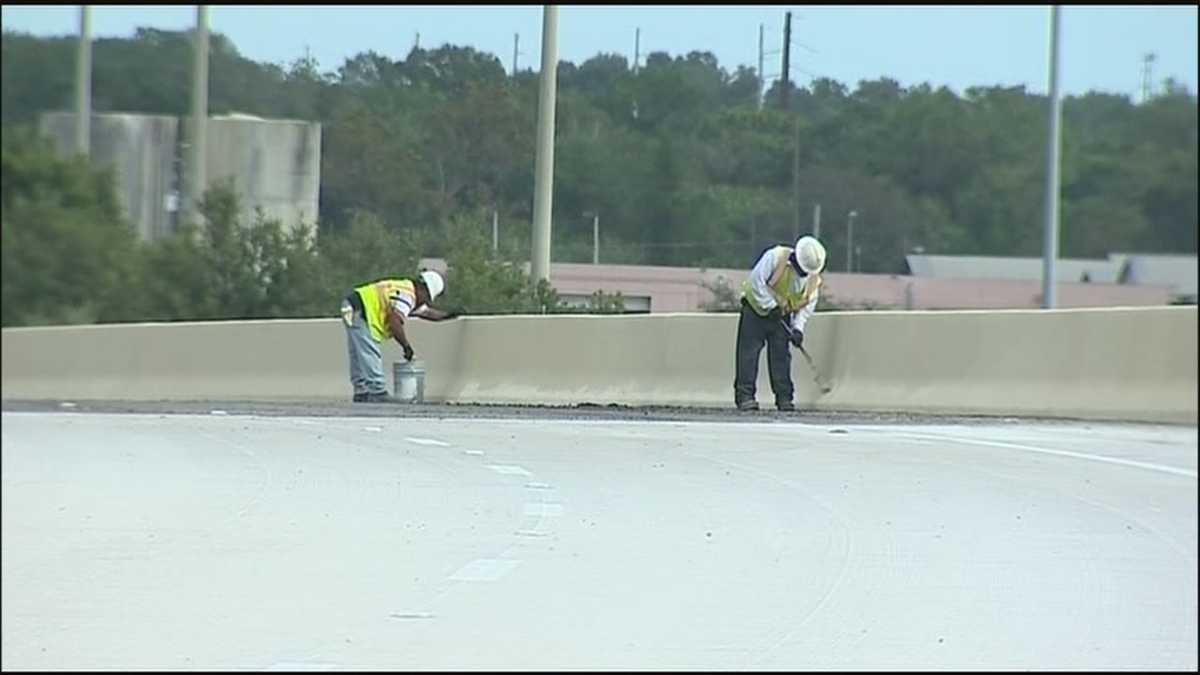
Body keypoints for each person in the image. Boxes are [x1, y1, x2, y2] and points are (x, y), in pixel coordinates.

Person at [734, 235, 827, 412]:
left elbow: (805, 308)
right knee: (748, 354)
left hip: (781, 316)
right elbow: (756, 282)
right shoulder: (775, 257)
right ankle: (745, 396)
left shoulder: (813, 283)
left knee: (781, 357)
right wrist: (770, 306)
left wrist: (798, 329)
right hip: (755, 310)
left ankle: (784, 398)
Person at [339, 270, 458, 403]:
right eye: (427, 298)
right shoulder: (408, 295)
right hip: (361, 310)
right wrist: (406, 346)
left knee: (358, 351)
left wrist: (447, 315)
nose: (425, 302)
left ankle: (361, 391)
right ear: (423, 290)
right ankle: (377, 391)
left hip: (353, 305)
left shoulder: (407, 290)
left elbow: (427, 313)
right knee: (369, 350)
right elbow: (395, 321)